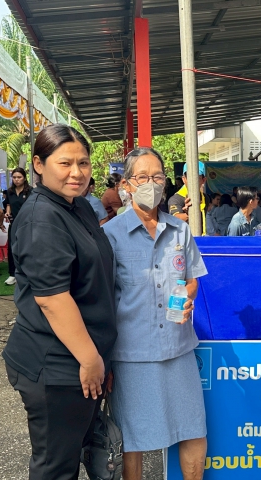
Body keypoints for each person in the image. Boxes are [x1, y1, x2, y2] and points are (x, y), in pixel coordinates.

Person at [2, 125, 117, 479]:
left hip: (81, 358)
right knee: (56, 467)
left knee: (75, 453)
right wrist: (91, 359)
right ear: (39, 164)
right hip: (57, 364)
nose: (77, 172)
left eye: (83, 163)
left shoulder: (77, 206)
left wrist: (102, 357)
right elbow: (53, 299)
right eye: (65, 163)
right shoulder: (42, 217)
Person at [102, 147, 207, 480]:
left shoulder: (180, 230)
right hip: (132, 353)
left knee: (193, 429)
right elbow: (103, 300)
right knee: (133, 438)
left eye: (157, 177)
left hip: (178, 346)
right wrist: (103, 361)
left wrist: (187, 296)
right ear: (127, 184)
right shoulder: (111, 235)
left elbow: (192, 280)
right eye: (142, 177)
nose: (151, 183)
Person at [4, 168, 33, 285]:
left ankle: (28, 273)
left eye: (19, 177)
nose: (16, 180)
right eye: (14, 177)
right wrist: (7, 212)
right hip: (14, 223)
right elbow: (9, 204)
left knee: (27, 248)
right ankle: (12, 274)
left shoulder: (31, 191)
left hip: (27, 224)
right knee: (12, 248)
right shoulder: (10, 191)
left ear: (24, 178)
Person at [168, 161, 207, 234]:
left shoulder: (206, 198)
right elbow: (175, 218)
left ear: (203, 180)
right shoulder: (176, 199)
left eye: (196, 178)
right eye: (189, 177)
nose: (193, 181)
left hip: (204, 239)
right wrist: (189, 213)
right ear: (184, 179)